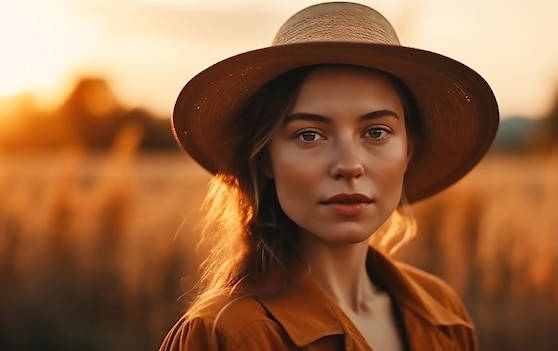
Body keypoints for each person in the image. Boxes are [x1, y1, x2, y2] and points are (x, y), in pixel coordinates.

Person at [160, 2, 498, 350]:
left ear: (408, 151)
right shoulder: (230, 333)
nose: (349, 165)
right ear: (265, 159)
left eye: (377, 132)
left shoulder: (443, 313)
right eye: (309, 135)